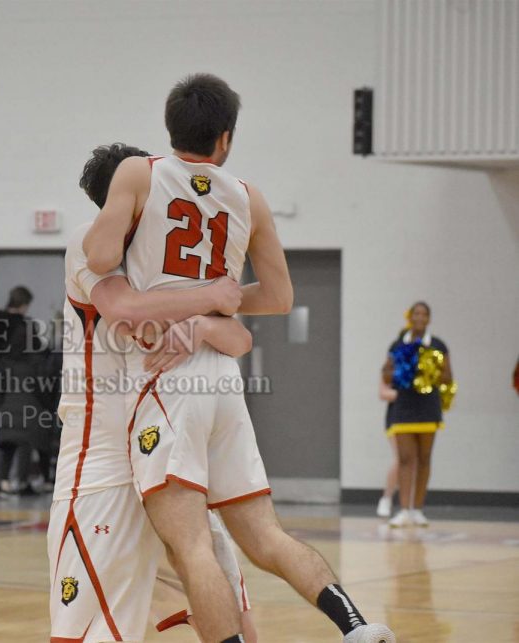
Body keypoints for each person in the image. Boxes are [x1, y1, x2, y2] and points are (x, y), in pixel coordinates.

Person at [83, 76, 394, 642]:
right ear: (225, 138)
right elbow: (277, 298)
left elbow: (99, 254)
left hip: (166, 384)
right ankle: (356, 627)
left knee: (192, 544)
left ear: (168, 125)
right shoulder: (248, 194)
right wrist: (212, 306)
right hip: (224, 380)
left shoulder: (140, 173)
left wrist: (174, 304)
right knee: (265, 536)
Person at [49, 143, 257, 642]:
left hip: (162, 443)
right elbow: (124, 311)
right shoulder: (88, 242)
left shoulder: (160, 265)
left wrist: (208, 324)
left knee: (219, 594)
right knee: (100, 619)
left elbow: (241, 338)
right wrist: (214, 296)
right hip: (103, 452)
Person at [381, 302, 453, 528]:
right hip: (403, 407)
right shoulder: (397, 344)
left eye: (424, 314)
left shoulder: (438, 345)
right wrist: (397, 369)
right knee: (404, 458)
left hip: (428, 407)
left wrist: (428, 369)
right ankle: (403, 510)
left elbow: (448, 377)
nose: (420, 317)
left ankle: (418, 509)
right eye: (416, 313)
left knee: (424, 458)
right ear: (409, 317)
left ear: (429, 319)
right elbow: (386, 376)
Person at [0, 286, 49, 497]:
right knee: (25, 439)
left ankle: (0, 480)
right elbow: (42, 358)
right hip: (26, 393)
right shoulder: (27, 333)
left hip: (5, 386)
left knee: (5, 438)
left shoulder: (0, 324)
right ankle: (21, 481)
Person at [375, 378, 399, 518]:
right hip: (397, 417)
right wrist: (408, 395)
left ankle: (411, 505)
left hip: (418, 415)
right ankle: (386, 498)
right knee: (401, 458)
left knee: (416, 460)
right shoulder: (392, 365)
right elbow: (383, 393)